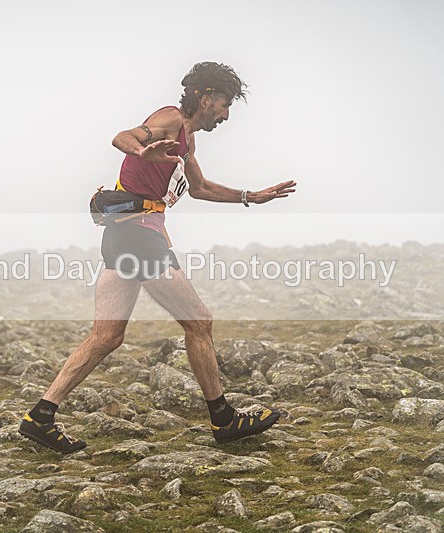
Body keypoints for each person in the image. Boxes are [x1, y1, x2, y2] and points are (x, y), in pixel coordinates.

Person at [19, 62, 297, 454]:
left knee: (107, 336)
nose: (226, 114)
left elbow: (199, 188)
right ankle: (224, 419)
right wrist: (142, 149)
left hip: (123, 236)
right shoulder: (169, 119)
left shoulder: (188, 141)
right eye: (224, 103)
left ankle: (40, 417)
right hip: (136, 236)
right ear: (205, 96)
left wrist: (251, 196)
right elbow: (122, 137)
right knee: (198, 321)